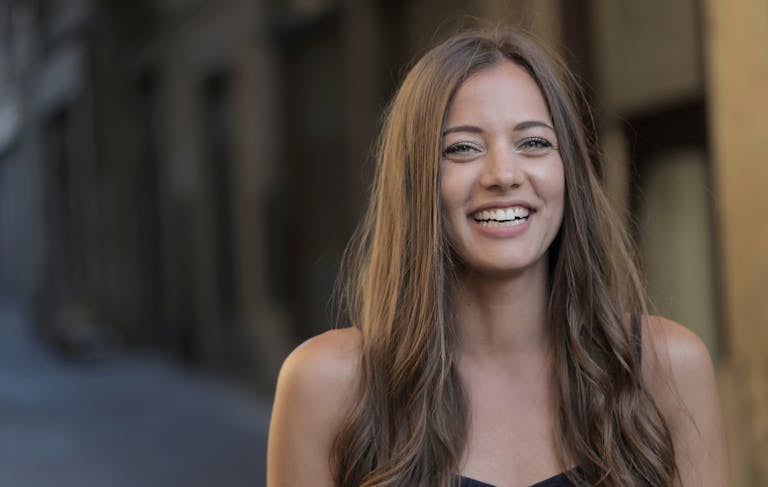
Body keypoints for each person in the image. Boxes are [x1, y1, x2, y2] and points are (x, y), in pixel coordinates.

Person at [266, 27, 729, 486]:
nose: (504, 175)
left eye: (534, 143)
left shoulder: (667, 368)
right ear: (417, 181)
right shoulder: (327, 385)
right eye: (462, 148)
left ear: (569, 170)